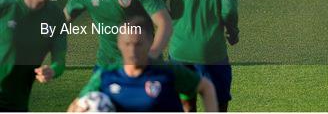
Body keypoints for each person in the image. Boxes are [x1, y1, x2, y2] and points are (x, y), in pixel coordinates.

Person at [68, 16, 218, 112]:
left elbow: (206, 87)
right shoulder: (107, 74)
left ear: (149, 44)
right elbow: (77, 105)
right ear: (119, 44)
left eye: (138, 44)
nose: (132, 50)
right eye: (127, 44)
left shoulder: (167, 71)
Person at [0, 0, 67, 111]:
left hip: (17, 104)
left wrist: (52, 70)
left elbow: (60, 60)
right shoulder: (5, 7)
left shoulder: (55, 17)